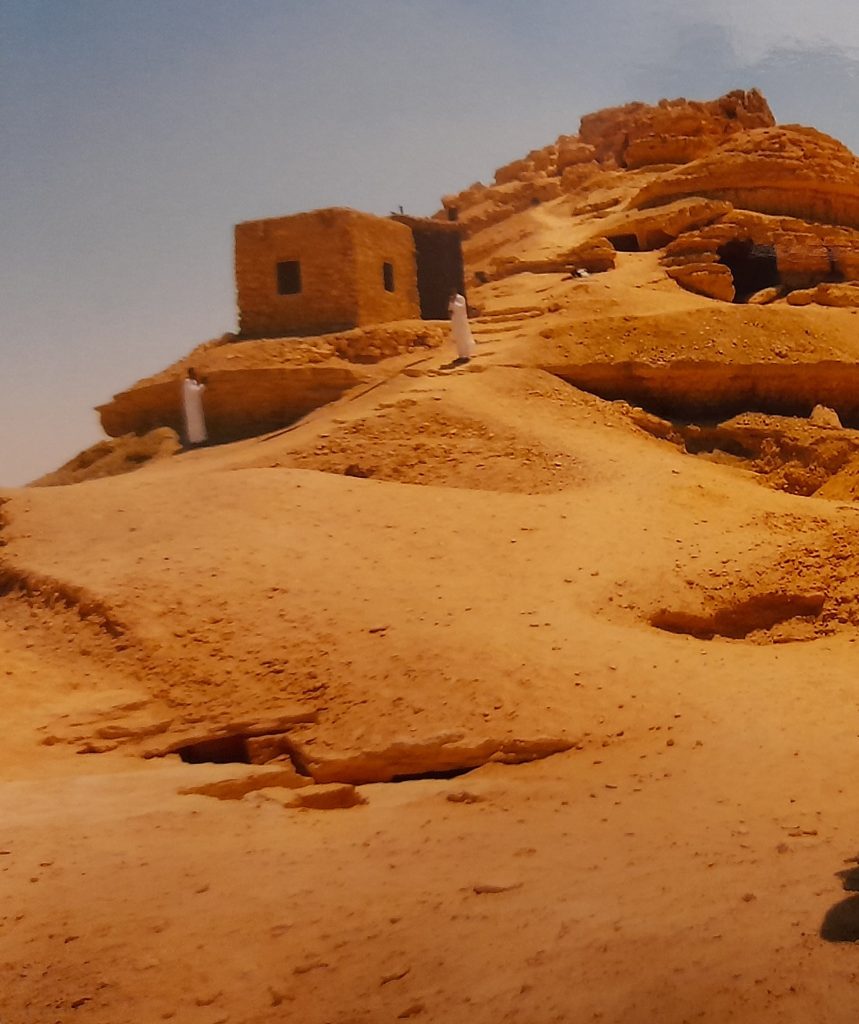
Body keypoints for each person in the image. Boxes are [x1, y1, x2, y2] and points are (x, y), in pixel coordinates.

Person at [182, 367, 208, 446]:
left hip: (195, 407)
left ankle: (201, 440)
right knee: (195, 425)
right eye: (194, 373)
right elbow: (195, 392)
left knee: (199, 424)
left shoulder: (192, 382)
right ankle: (196, 442)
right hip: (192, 409)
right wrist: (203, 384)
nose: (195, 374)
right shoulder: (187, 383)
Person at [448, 292, 476, 363]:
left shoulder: (460, 298)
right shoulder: (452, 300)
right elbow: (450, 309)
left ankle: (466, 355)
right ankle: (461, 355)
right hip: (456, 321)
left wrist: (453, 303)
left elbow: (460, 308)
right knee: (458, 338)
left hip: (461, 321)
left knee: (464, 337)